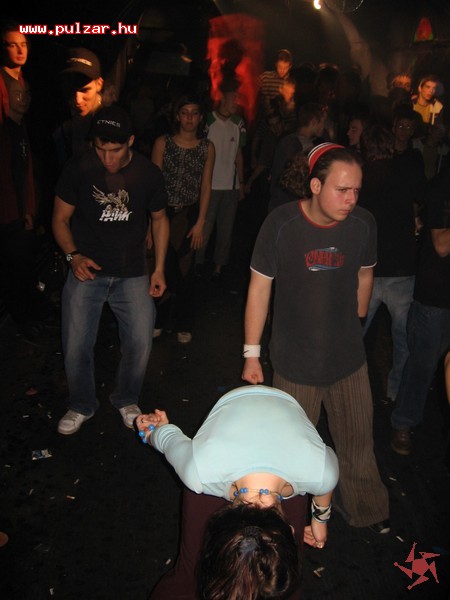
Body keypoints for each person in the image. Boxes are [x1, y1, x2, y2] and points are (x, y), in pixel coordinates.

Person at [242, 143, 390, 534]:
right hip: (295, 364)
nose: (351, 199)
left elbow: (365, 273)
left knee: (358, 443)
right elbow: (259, 289)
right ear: (315, 185)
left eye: (356, 190)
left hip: (348, 360)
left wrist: (358, 318)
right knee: (292, 450)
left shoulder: (363, 224)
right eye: (342, 190)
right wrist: (252, 354)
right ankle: (286, 522)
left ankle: (366, 511)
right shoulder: (281, 224)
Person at [136, 384, 339, 599]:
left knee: (277, 572)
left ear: (291, 529)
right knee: (192, 570)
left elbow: (168, 438)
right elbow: (166, 438)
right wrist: (154, 431)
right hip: (235, 422)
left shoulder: (319, 471)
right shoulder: (201, 469)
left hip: (273, 424)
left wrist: (320, 520)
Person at [52, 104, 169, 435]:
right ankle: (81, 403)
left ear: (130, 141)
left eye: (115, 150)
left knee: (140, 341)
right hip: (86, 271)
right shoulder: (79, 167)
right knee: (76, 344)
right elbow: (59, 219)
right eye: (101, 149)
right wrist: (73, 256)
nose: (107, 158)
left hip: (132, 272)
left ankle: (127, 398)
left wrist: (159, 268)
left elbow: (160, 220)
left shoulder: (148, 173)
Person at [358, 122, 425, 403]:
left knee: (352, 336)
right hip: (401, 270)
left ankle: (348, 389)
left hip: (369, 272)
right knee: (403, 342)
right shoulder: (404, 175)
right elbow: (418, 210)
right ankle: (396, 394)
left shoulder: (359, 179)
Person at [390, 158, 450, 455]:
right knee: (422, 365)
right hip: (437, 295)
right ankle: (403, 422)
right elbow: (441, 245)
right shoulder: (442, 186)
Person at [151, 92, 215, 343]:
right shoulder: (162, 143)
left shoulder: (207, 147)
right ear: (177, 116)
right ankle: (159, 318)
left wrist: (201, 222)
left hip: (189, 214)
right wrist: (149, 225)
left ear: (200, 117)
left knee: (186, 270)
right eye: (185, 113)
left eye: (194, 113)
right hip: (162, 213)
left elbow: (206, 187)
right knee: (162, 266)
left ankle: (183, 322)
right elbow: (153, 186)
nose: (189, 118)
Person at [0, 20, 47, 333]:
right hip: (7, 209)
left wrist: (29, 208)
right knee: (14, 263)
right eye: (12, 45)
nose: (20, 50)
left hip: (18, 206)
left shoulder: (21, 124)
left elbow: (25, 169)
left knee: (22, 260)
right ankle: (22, 316)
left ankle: (27, 312)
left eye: (24, 44)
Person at [194, 79, 246, 280]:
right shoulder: (207, 120)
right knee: (205, 227)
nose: (236, 102)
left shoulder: (238, 123)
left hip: (230, 186)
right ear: (223, 98)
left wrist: (241, 183)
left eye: (238, 98)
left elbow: (239, 154)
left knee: (226, 229)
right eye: (233, 97)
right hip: (210, 185)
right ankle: (197, 263)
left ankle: (218, 267)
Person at [268, 101, 327, 213]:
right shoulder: (300, 146)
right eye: (322, 122)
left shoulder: (286, 141)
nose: (323, 127)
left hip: (281, 206)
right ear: (314, 122)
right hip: (288, 208)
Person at [412, 74, 448, 180]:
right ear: (420, 88)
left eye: (434, 88)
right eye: (428, 87)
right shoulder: (411, 104)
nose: (431, 91)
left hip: (428, 143)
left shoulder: (437, 107)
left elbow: (438, 128)